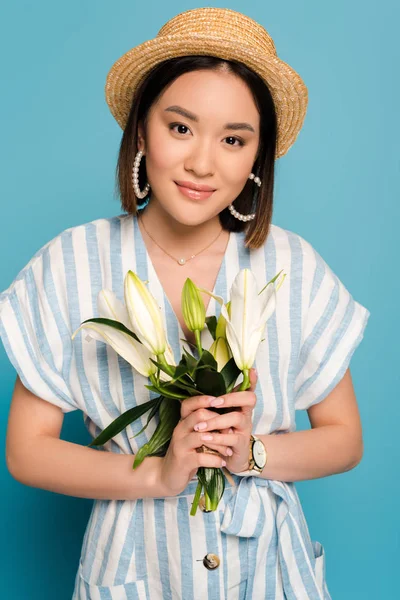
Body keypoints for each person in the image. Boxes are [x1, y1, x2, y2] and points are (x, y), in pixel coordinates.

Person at [0, 7, 370, 600]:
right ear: (142, 129)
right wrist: (161, 472)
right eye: (180, 128)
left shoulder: (291, 266)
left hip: (267, 570)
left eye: (232, 139)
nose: (203, 162)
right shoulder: (70, 263)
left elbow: (345, 439)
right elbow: (26, 450)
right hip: (133, 567)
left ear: (256, 158)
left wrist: (246, 452)